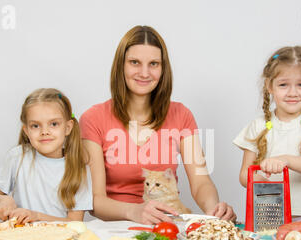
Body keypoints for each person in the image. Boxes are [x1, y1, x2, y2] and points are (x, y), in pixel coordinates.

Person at [80, 25, 235, 225]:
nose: (144, 73)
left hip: (167, 225)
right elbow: (95, 201)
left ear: (163, 69)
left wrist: (214, 210)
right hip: (114, 230)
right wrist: (134, 211)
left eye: (153, 64)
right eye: (135, 62)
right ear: (121, 66)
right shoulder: (93, 118)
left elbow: (200, 183)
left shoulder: (182, 115)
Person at [233, 46, 301, 220]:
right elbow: (245, 174)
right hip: (266, 213)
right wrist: (262, 182)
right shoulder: (258, 125)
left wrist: (286, 160)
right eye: (283, 85)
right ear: (270, 86)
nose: (292, 93)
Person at [0, 88, 93, 224]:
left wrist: (36, 216)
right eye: (35, 126)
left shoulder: (79, 167)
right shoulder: (17, 157)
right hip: (20, 239)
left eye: (54, 124)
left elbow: (74, 222)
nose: (44, 132)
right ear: (26, 130)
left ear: (67, 127)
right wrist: (3, 200)